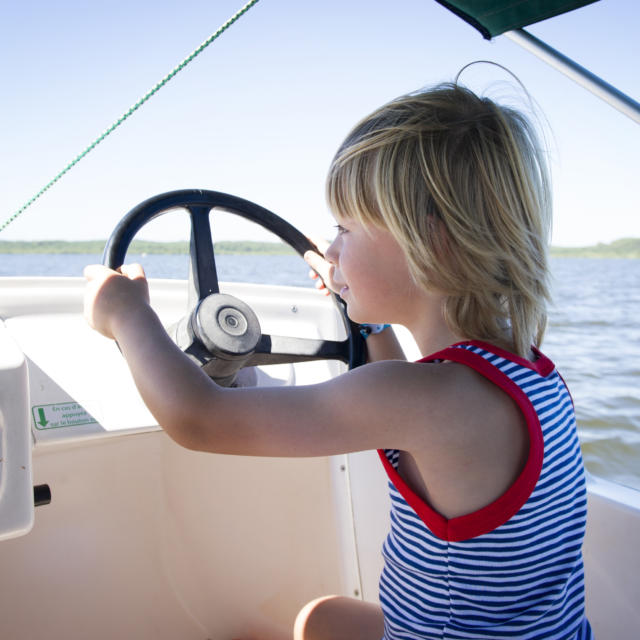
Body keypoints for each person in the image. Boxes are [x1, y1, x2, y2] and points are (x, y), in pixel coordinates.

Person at [84, 82, 592, 639]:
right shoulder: (525, 374)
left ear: (433, 242)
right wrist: (366, 319)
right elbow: (406, 398)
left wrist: (126, 315)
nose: (329, 251)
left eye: (345, 230)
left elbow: (198, 417)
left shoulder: (424, 398)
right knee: (322, 620)